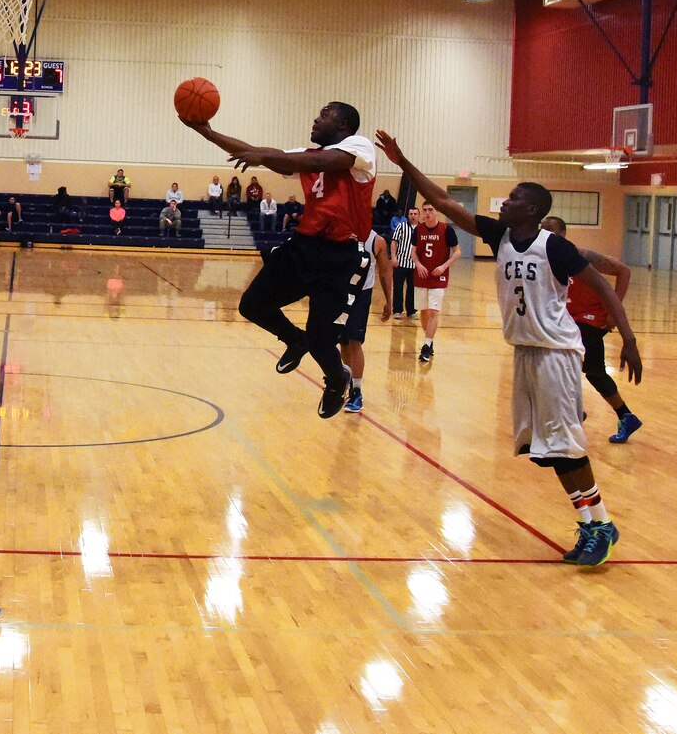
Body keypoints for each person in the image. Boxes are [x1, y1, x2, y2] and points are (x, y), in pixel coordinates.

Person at [377, 130, 641, 567]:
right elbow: (443, 202)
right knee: (549, 449)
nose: (506, 201)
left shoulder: (554, 246)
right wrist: (403, 161)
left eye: (514, 197)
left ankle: (601, 525)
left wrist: (628, 339)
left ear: (533, 209)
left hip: (556, 353)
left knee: (567, 444)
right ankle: (594, 521)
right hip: (525, 352)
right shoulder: (500, 236)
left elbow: (605, 288)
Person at [184, 102, 376, 418]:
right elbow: (257, 152)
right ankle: (293, 339)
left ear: (343, 125)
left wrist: (267, 157)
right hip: (303, 247)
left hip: (340, 257)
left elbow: (321, 160)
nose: (316, 118)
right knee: (251, 305)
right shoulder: (307, 157)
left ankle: (337, 379)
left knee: (321, 339)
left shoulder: (358, 147)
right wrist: (207, 132)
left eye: (325, 115)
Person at [543, 217, 641, 442]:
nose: (547, 234)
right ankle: (625, 416)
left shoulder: (583, 256)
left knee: (561, 363)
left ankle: (573, 414)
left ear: (563, 234)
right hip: (571, 321)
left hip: (591, 320)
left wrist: (612, 311)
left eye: (552, 231)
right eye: (544, 230)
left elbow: (623, 271)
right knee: (594, 372)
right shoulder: (546, 259)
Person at [341, 228, 395, 412]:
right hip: (340, 293)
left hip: (361, 295)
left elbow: (385, 273)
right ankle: (344, 382)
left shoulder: (377, 241)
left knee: (355, 342)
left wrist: (389, 301)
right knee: (343, 342)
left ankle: (357, 392)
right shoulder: (341, 233)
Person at [409, 203, 461, 361]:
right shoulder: (418, 230)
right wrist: (418, 265)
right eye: (424, 210)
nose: (427, 213)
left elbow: (457, 251)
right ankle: (429, 341)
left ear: (437, 211)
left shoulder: (446, 229)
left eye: (430, 210)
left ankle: (426, 344)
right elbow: (413, 252)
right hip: (422, 275)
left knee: (433, 311)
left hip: (439, 276)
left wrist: (444, 266)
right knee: (423, 311)